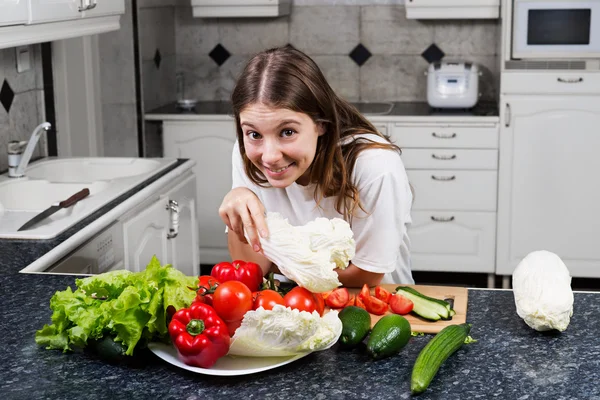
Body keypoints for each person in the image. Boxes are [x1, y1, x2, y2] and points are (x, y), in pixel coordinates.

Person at [218, 45, 414, 288]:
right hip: (292, 303)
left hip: (373, 302)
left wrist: (286, 266)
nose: (269, 157)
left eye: (287, 132)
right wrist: (239, 203)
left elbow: (366, 273)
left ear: (321, 123)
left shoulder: (373, 164)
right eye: (253, 133)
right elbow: (253, 268)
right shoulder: (248, 153)